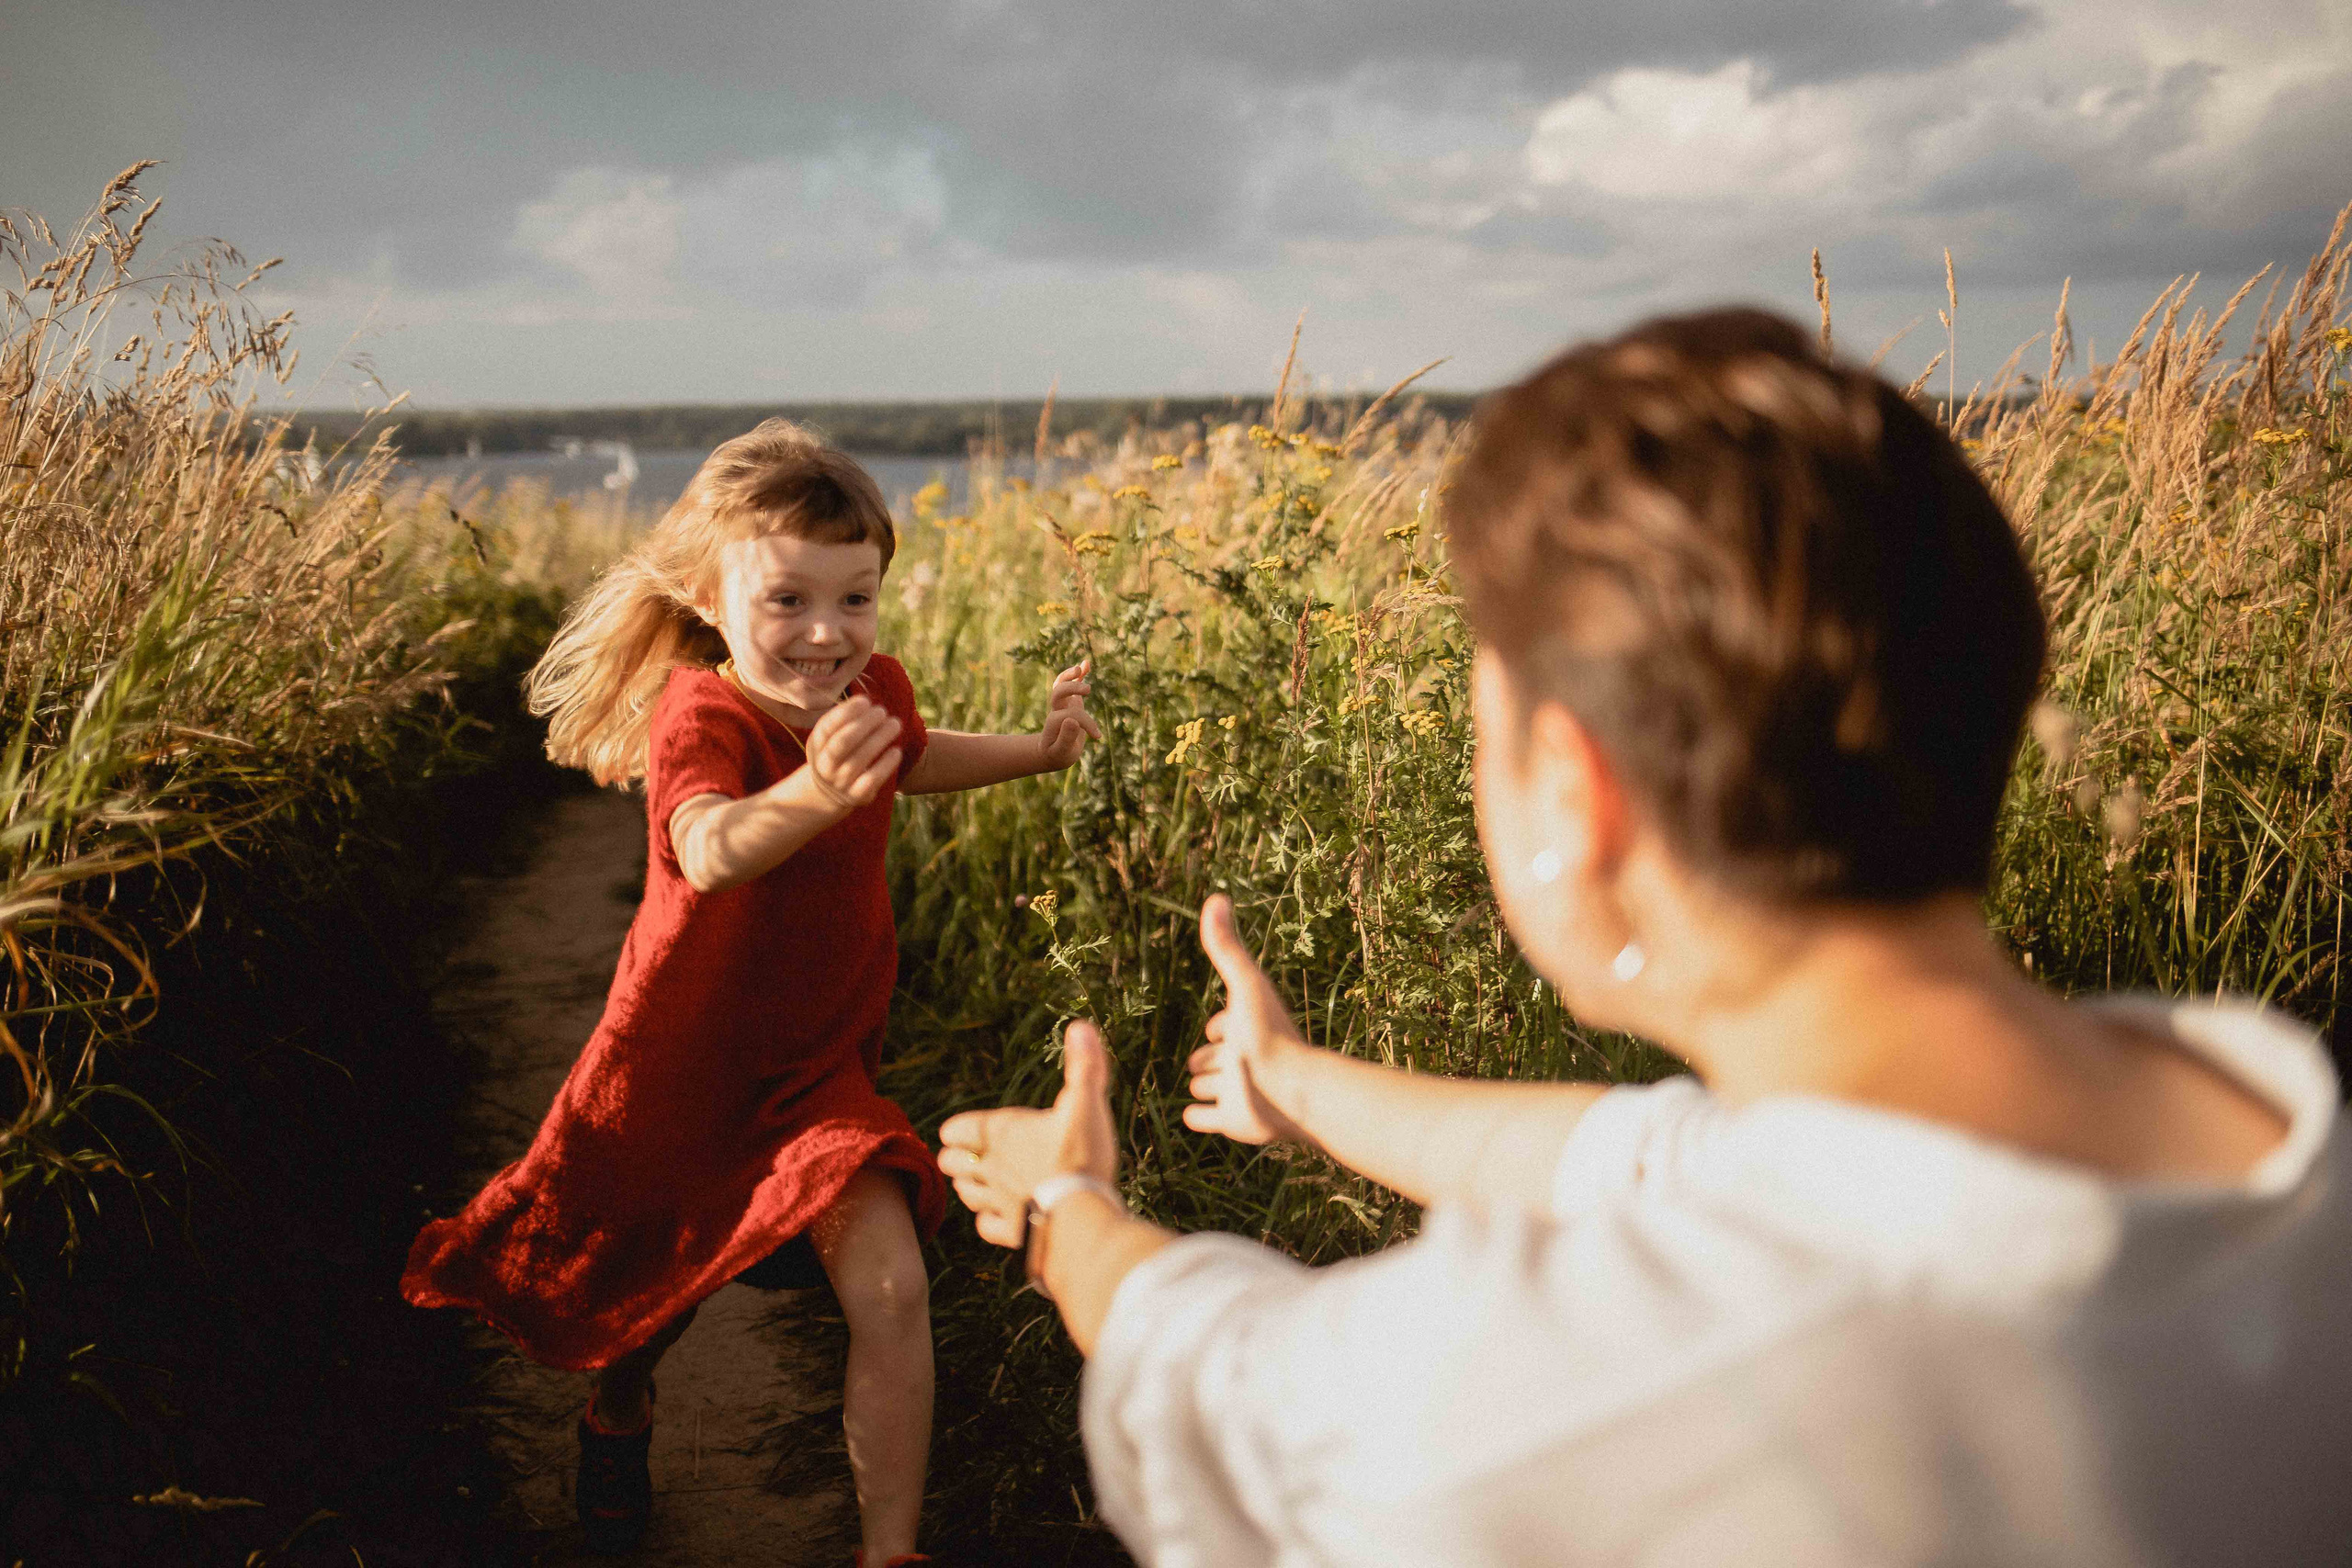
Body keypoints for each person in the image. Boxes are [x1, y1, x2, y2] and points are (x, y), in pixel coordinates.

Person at [938, 310, 2352, 1566]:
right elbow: (1649, 1158)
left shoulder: (1534, 1389)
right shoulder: (2277, 1108)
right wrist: (1291, 1081)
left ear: (1576, 789)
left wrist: (1070, 1206)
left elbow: (1221, 1372)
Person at [404, 420, 1101, 1565]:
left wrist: (1036, 748)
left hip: (822, 1069)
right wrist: (819, 795)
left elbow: (910, 758)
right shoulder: (702, 714)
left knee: (892, 1289)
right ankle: (618, 1410)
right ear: (711, 597)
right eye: (787, 601)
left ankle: (890, 1552)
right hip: (681, 1068)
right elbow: (712, 848)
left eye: (857, 598)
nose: (828, 634)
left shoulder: (873, 685)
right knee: (654, 1294)